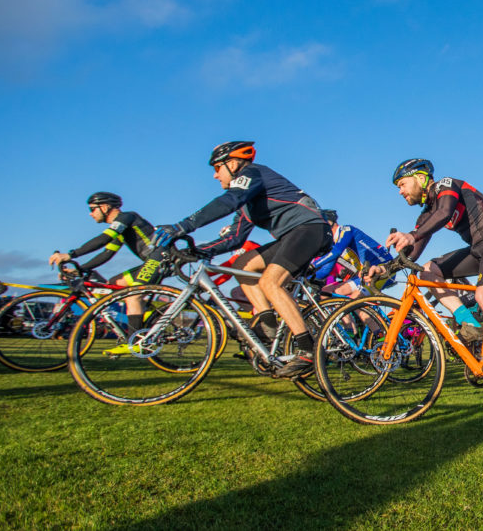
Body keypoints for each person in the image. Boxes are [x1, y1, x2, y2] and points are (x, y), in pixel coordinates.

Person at [150, 141, 332, 378]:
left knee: (270, 282)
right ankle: (268, 324)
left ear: (233, 163)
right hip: (293, 234)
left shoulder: (251, 174)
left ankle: (308, 351)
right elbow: (234, 238)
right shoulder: (247, 201)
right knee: (241, 264)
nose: (215, 175)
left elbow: (228, 201)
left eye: (217, 168)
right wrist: (198, 251)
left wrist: (183, 226)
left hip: (309, 228)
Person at [367, 158, 483, 397]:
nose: (400, 191)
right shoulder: (427, 213)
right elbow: (413, 252)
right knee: (428, 270)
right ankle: (470, 323)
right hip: (478, 249)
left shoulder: (445, 186)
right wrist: (384, 269)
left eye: (402, 184)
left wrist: (413, 234)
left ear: (420, 178)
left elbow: (445, 211)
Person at [48, 192, 167, 345]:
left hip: (160, 258)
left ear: (104, 207)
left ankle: (135, 343)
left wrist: (71, 255)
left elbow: (104, 239)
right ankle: (148, 317)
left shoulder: (127, 217)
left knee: (133, 296)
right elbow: (106, 253)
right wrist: (80, 269)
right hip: (153, 261)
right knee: (114, 283)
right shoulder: (121, 230)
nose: (90, 214)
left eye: (92, 209)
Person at [311, 209, 394, 298]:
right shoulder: (335, 242)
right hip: (365, 274)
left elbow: (336, 251)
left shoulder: (346, 230)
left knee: (354, 300)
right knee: (326, 291)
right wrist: (305, 277)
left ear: (328, 223)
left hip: (383, 269)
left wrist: (311, 267)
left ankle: (358, 311)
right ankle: (341, 311)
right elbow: (326, 270)